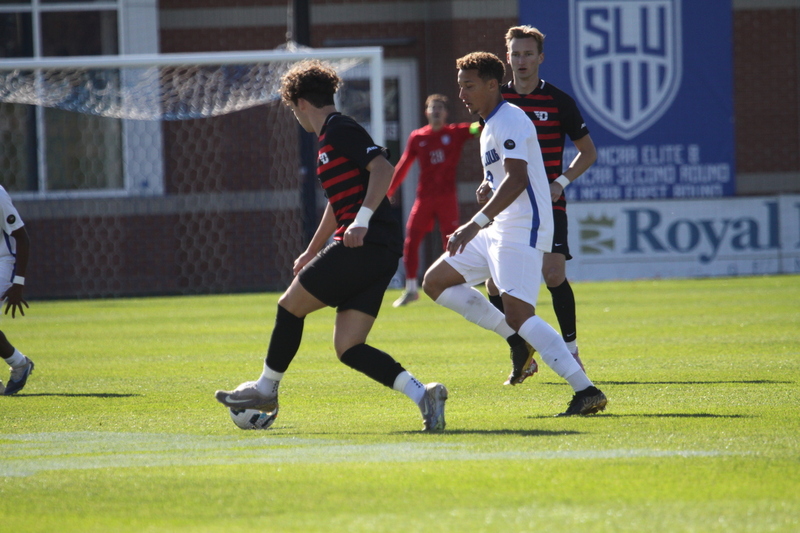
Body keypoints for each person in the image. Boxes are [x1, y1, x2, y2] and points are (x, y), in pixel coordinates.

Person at [215, 59, 448, 431]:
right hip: (378, 248)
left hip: (365, 244)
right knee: (349, 346)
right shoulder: (330, 139)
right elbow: (338, 206)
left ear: (302, 104)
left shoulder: (339, 129)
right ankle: (425, 395)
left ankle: (265, 389)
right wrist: (311, 249)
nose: (296, 117)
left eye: (293, 110)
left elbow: (384, 170)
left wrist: (361, 220)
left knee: (289, 306)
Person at [422, 51, 606, 416]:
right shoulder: (489, 124)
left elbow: (519, 178)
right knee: (435, 281)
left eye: (469, 86)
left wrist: (473, 222)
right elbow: (507, 178)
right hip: (498, 226)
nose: (462, 95)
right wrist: (488, 188)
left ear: (493, 84)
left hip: (522, 228)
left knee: (520, 313)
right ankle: (516, 341)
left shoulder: (509, 119)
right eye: (460, 87)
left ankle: (586, 390)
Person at [485, 25, 598, 372]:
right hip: (508, 206)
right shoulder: (497, 101)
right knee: (492, 284)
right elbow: (489, 149)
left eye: (528, 54)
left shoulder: (559, 101)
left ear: (540, 58)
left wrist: (560, 182)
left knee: (552, 273)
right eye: (516, 54)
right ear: (508, 58)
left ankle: (572, 349)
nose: (521, 60)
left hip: (548, 205)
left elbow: (588, 152)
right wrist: (486, 181)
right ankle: (522, 347)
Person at [388, 94, 479, 307]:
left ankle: (455, 284)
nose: (436, 111)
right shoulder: (418, 137)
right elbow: (403, 165)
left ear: (446, 113)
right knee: (411, 241)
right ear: (426, 112)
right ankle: (411, 288)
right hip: (425, 198)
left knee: (451, 241)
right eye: (432, 107)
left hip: (447, 198)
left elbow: (478, 128)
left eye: (440, 107)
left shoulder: (455, 133)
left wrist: (489, 121)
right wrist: (389, 189)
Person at [0, 185, 34, 396]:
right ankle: (20, 363)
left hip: (4, 262)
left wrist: (18, 283)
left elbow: (22, 237)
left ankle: (20, 364)